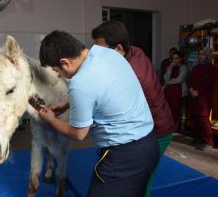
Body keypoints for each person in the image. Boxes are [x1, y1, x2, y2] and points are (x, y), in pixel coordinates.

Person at [38, 30, 159, 196]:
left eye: (56, 70)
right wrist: (66, 104)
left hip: (123, 156)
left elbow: (78, 133)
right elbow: (105, 88)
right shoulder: (109, 53)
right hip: (150, 144)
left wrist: (51, 119)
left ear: (65, 62)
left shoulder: (79, 84)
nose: (58, 74)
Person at [91, 20, 174, 196]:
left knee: (143, 177)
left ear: (119, 48)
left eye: (102, 51)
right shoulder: (134, 51)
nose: (97, 56)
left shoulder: (134, 75)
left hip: (159, 130)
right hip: (156, 121)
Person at [187, 48, 217, 151]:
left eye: (202, 54)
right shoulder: (195, 68)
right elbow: (190, 80)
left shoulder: (212, 68)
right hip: (194, 97)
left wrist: (198, 91)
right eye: (199, 54)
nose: (200, 56)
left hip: (204, 99)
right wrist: (191, 89)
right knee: (195, 118)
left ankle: (208, 142)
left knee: (203, 119)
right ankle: (198, 140)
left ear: (207, 56)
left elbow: (208, 83)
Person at [163, 51, 188, 132]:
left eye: (176, 58)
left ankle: (176, 128)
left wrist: (168, 82)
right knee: (167, 110)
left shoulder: (184, 68)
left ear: (180, 59)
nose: (174, 60)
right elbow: (165, 78)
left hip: (179, 92)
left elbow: (179, 80)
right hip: (168, 92)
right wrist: (170, 68)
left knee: (176, 111)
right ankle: (167, 127)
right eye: (173, 58)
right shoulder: (169, 67)